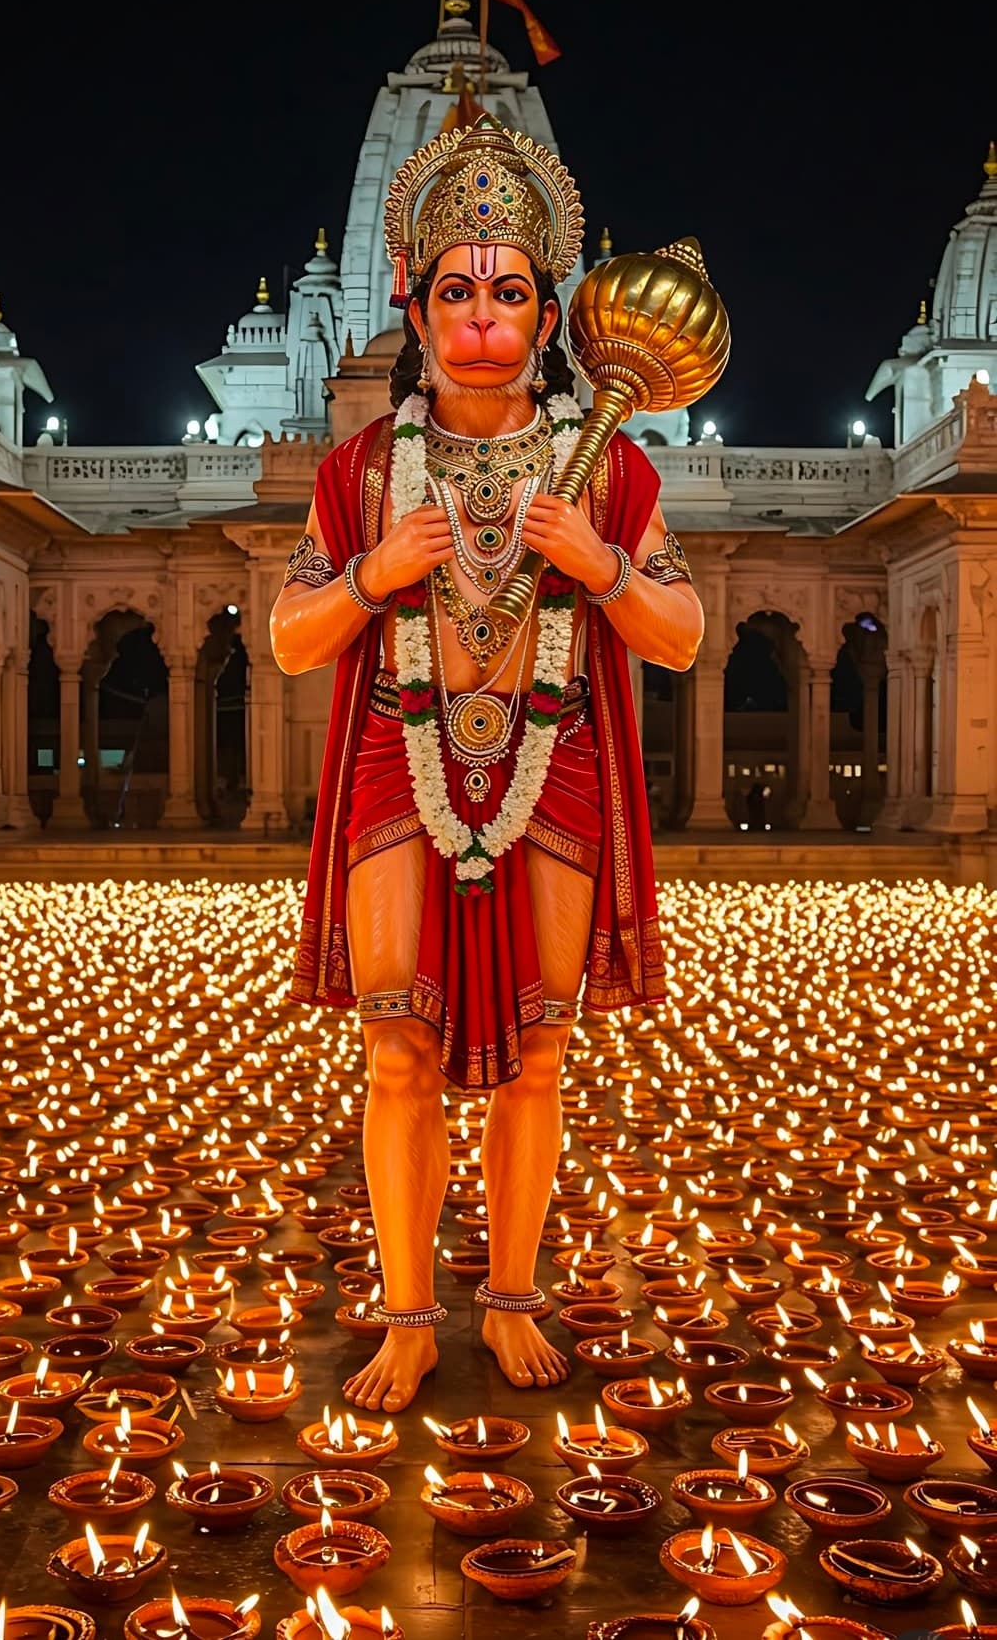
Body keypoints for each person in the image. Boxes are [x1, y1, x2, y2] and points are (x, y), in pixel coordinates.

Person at [270, 117, 705, 1413]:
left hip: (552, 764)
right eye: (453, 290)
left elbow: (677, 637)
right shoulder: (359, 470)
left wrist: (603, 564)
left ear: (553, 310)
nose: (478, 317)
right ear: (410, 301)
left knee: (539, 1052)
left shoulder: (611, 469)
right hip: (392, 776)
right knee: (396, 1047)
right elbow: (295, 638)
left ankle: (510, 1299)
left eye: (507, 291)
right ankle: (408, 1319)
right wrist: (371, 574)